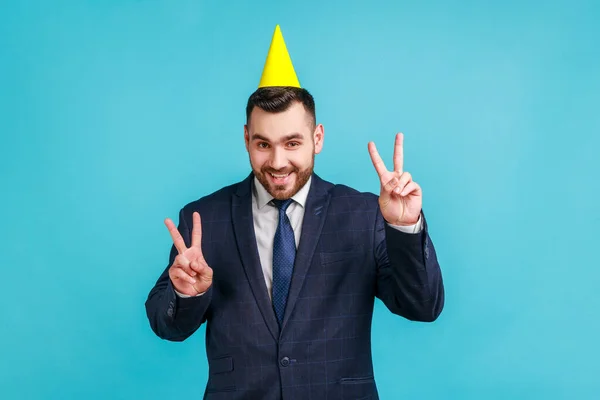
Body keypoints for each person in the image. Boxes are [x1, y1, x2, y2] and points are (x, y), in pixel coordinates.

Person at [145, 25, 444, 400]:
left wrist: (403, 227)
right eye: (263, 144)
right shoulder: (204, 219)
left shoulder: (363, 214)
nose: (277, 161)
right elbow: (164, 323)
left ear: (317, 138)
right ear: (246, 139)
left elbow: (423, 306)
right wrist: (186, 294)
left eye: (292, 143)